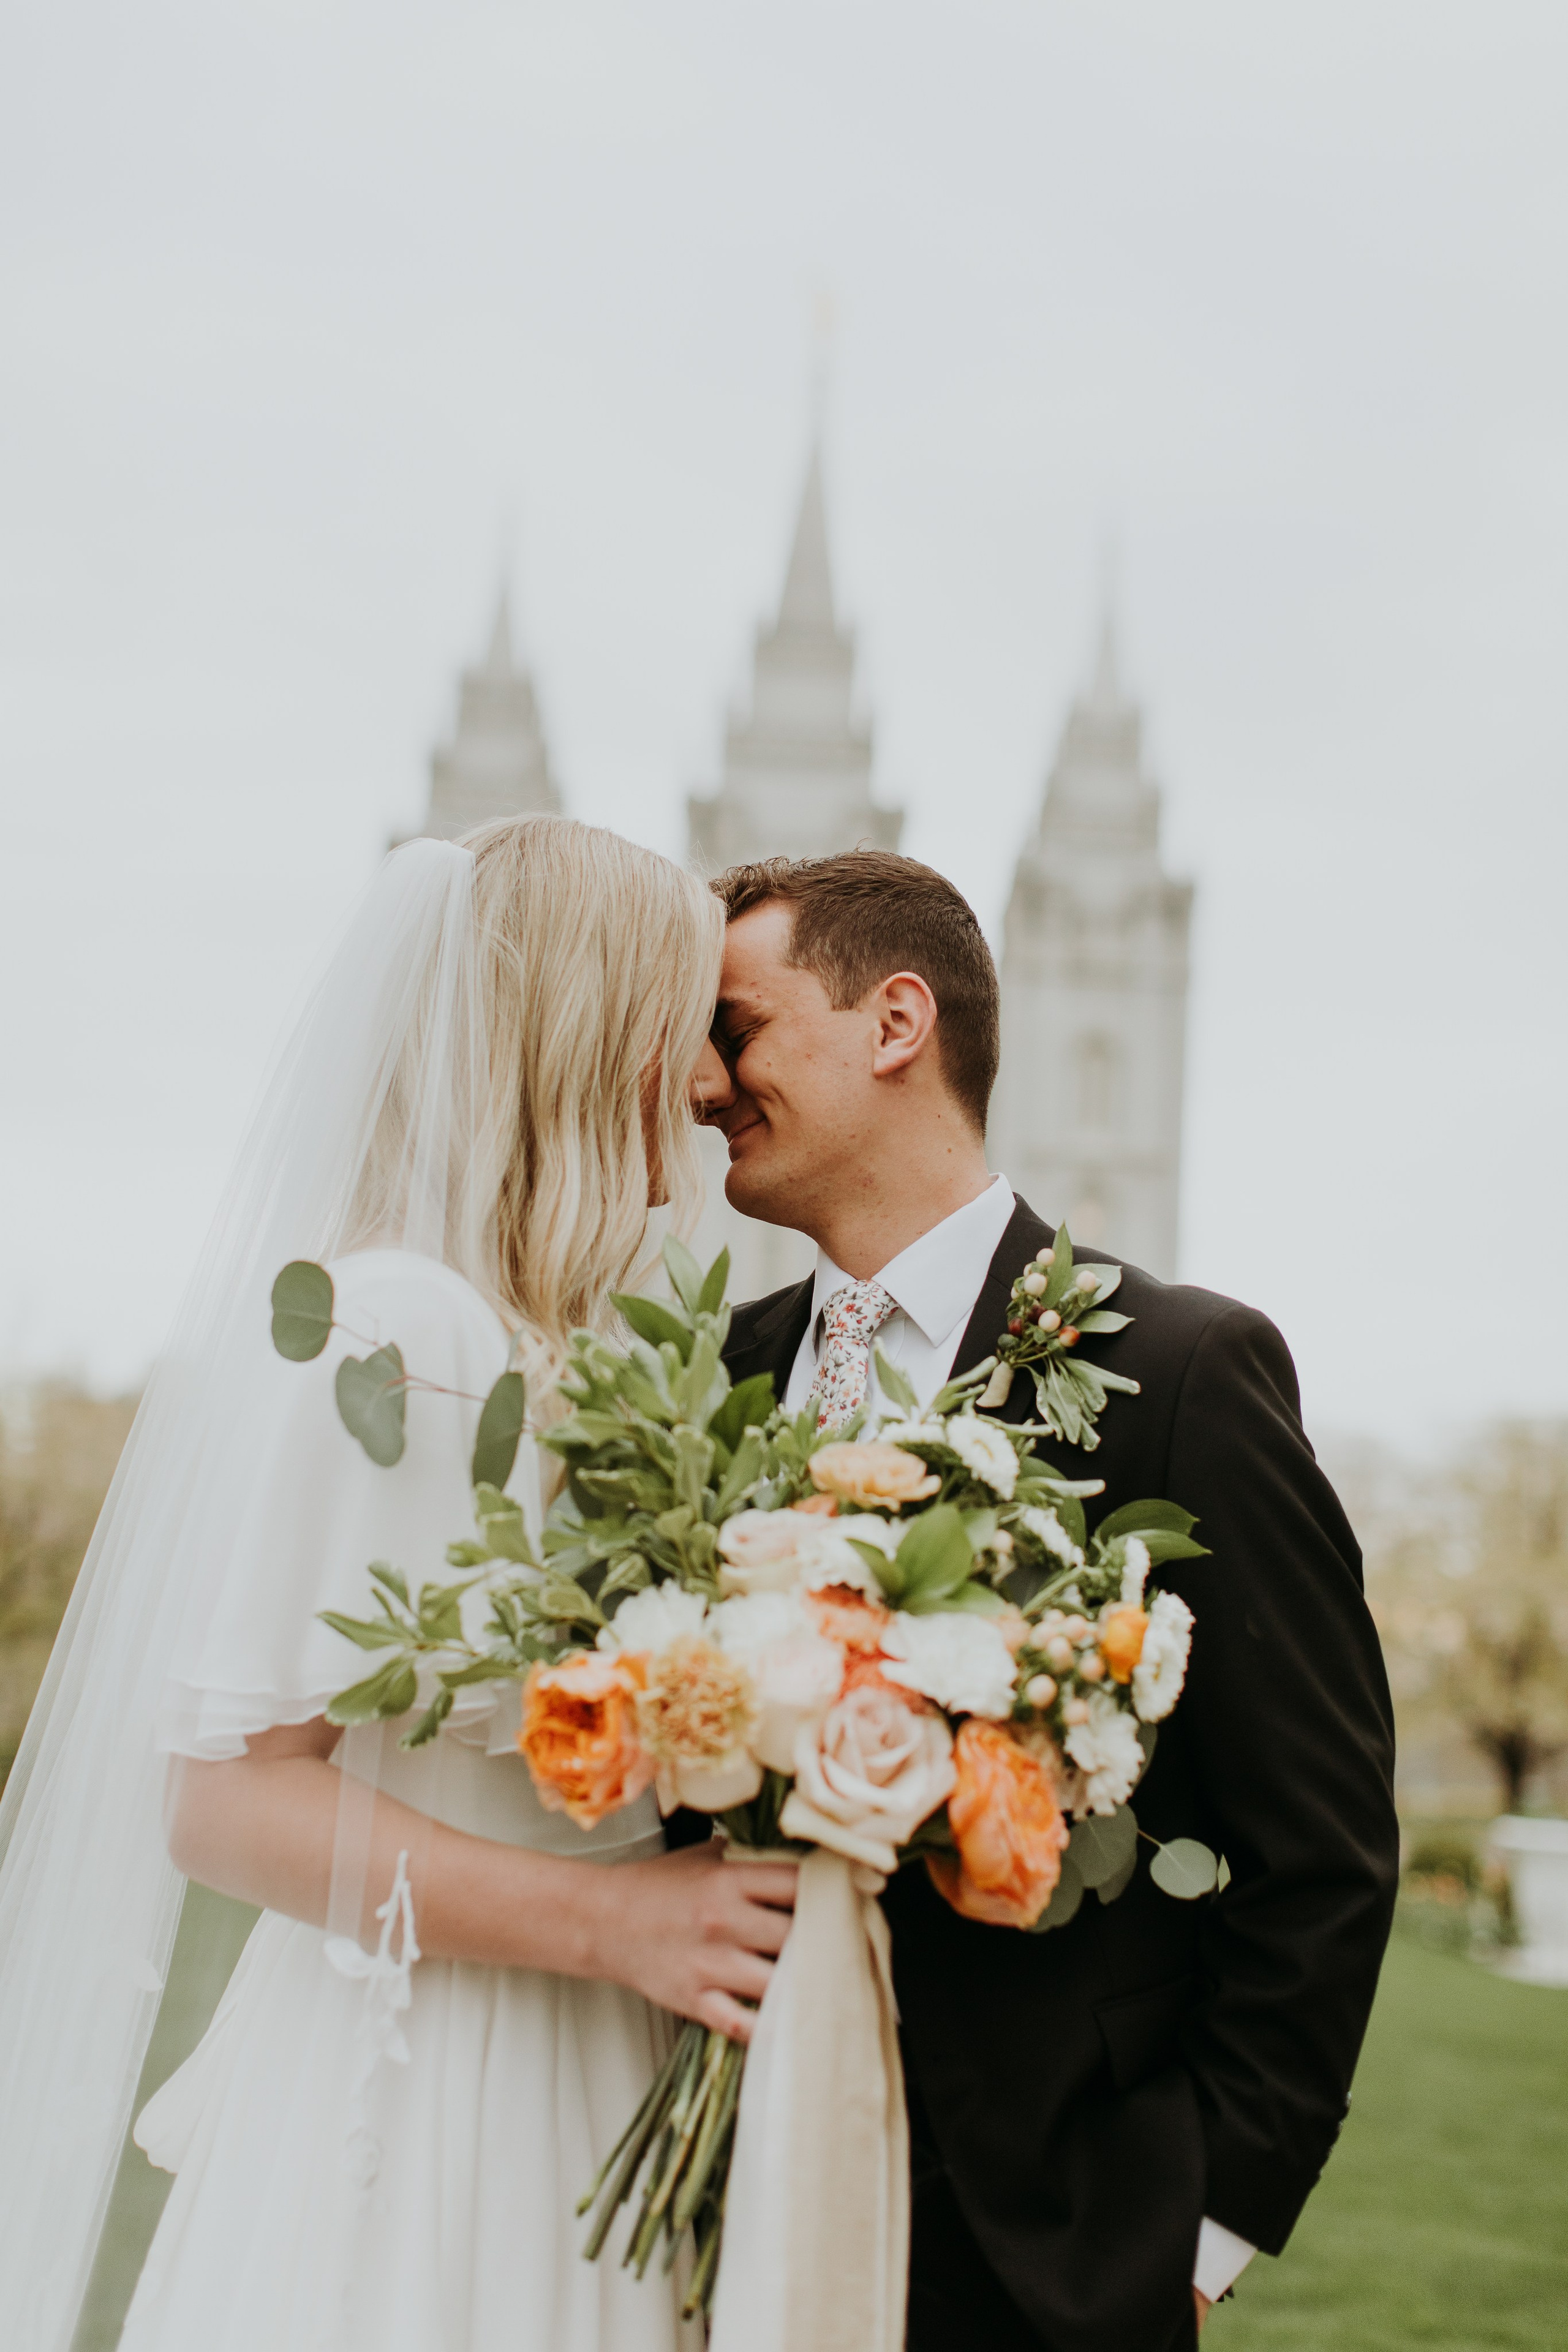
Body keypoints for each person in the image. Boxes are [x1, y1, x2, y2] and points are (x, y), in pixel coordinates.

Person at [0, 816, 797, 2352]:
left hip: (556, 2043)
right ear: (588, 1033)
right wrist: (618, 1926)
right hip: (450, 2065)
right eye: (688, 1022)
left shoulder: (525, 1341)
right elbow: (226, 1800)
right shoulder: (405, 1337)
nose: (710, 1081)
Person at [698, 849, 1400, 2352]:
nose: (701, 1084)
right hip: (705, 2205)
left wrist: (1198, 2233)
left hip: (1044, 2254)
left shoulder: (1181, 1371)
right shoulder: (707, 1380)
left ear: (895, 1024)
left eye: (735, 1028)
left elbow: (1320, 1851)